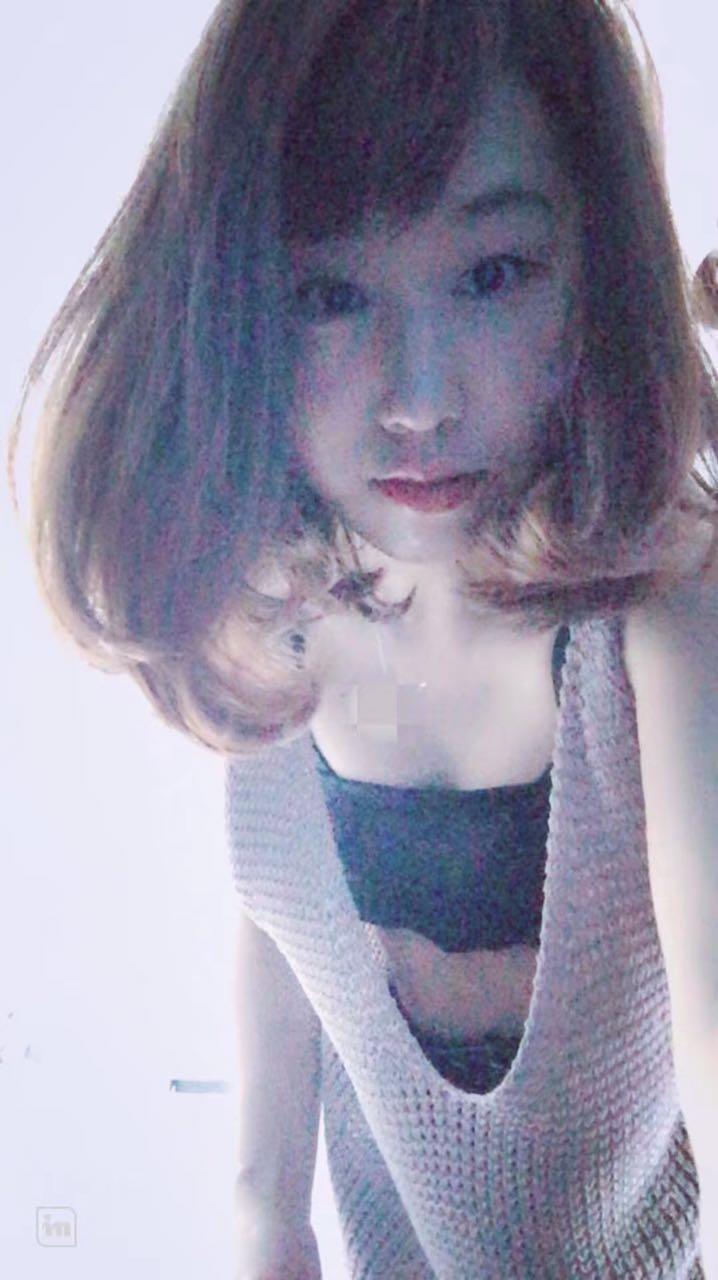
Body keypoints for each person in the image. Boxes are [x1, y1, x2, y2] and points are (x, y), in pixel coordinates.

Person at [7, 1, 718, 1276]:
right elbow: (282, 931)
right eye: (327, 295)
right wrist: (264, 1220)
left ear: (591, 270)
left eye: (492, 274)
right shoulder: (262, 603)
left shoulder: (660, 612)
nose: (419, 399)